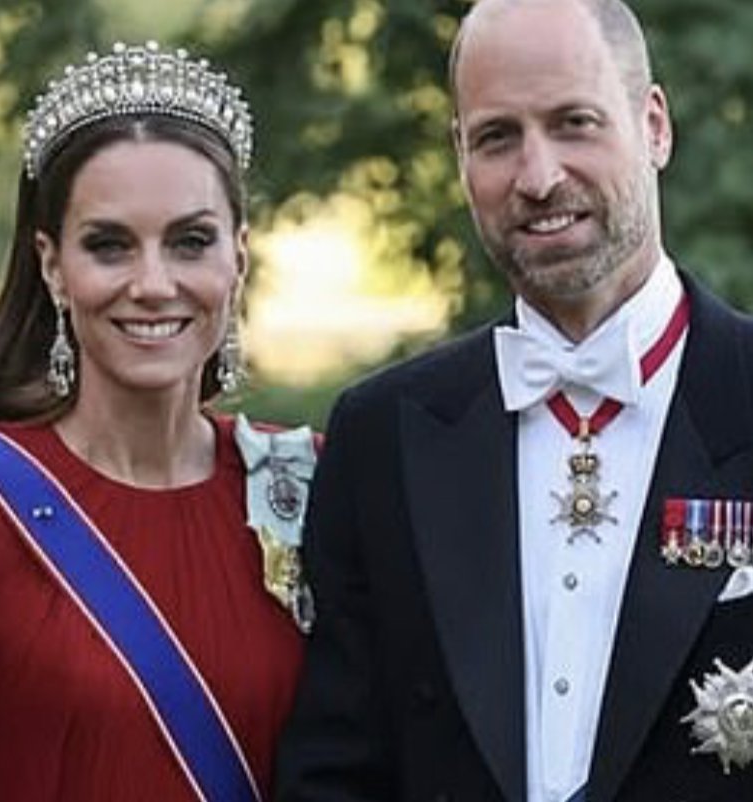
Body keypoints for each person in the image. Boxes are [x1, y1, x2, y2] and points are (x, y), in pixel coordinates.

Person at [275, 0, 753, 800]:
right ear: (460, 154)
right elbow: (334, 774)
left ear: (655, 127)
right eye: (498, 137)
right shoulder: (382, 438)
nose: (538, 178)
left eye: (574, 123)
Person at [0, 41, 319, 802]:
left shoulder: (309, 484)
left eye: (191, 241)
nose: (154, 284)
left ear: (240, 256)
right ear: (52, 264)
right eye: (109, 246)